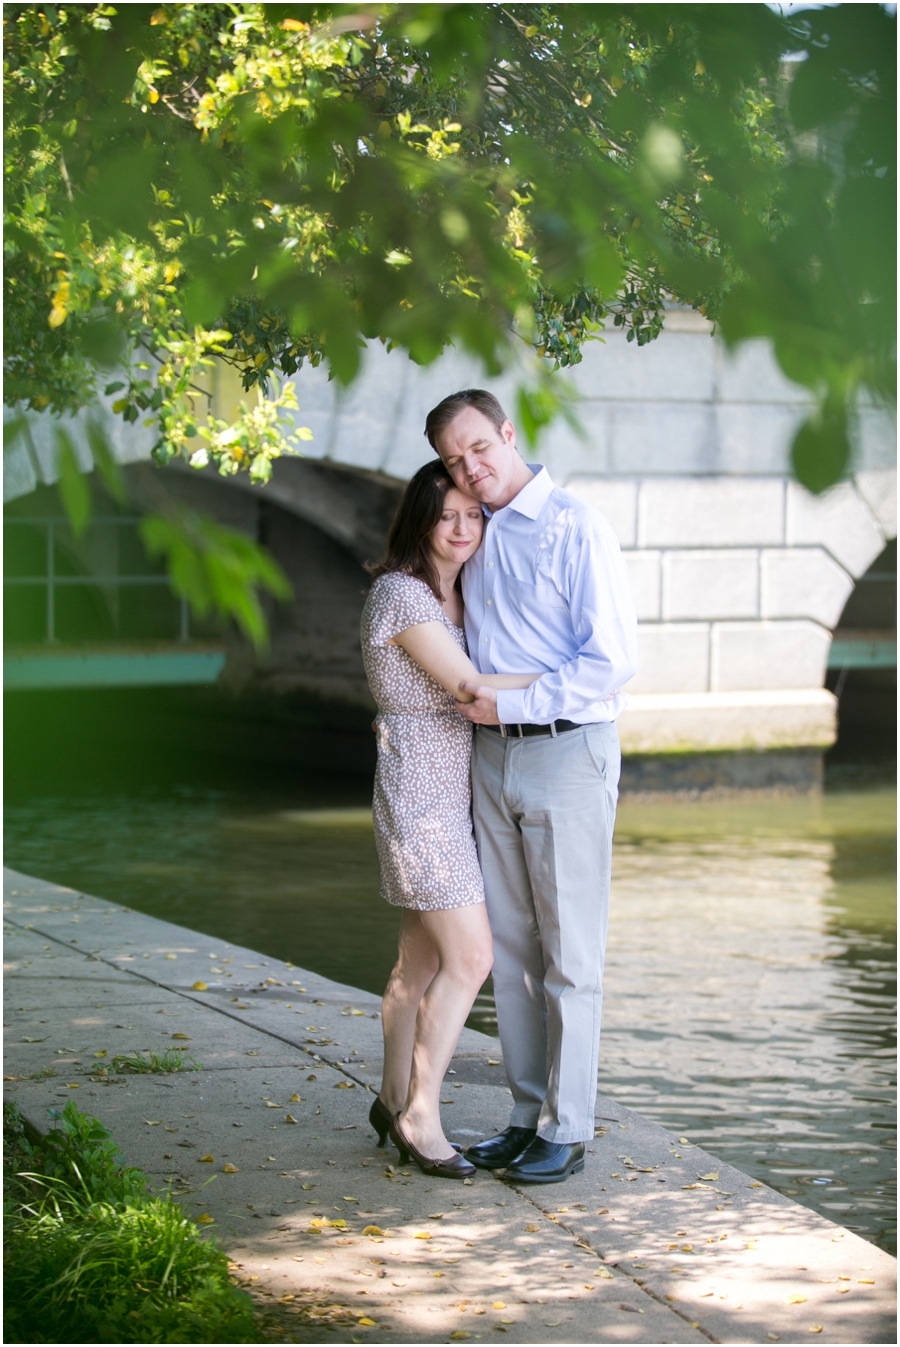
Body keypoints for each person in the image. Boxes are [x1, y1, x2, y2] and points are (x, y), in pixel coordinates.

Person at [425, 388, 638, 1185]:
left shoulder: (576, 525)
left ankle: (568, 1125)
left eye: (480, 447)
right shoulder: (472, 532)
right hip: (490, 755)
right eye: (454, 458)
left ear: (508, 434)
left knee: (570, 950)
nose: (471, 468)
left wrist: (511, 699)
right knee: (511, 948)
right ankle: (523, 1113)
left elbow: (609, 662)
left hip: (568, 751)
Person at [360, 459, 540, 1180]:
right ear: (420, 521)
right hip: (419, 799)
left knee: (419, 963)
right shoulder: (400, 595)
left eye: (474, 514)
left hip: (452, 795)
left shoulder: (459, 590)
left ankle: (390, 1095)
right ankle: (421, 1115)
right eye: (448, 516)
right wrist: (571, 677)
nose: (464, 529)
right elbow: (467, 685)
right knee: (471, 957)